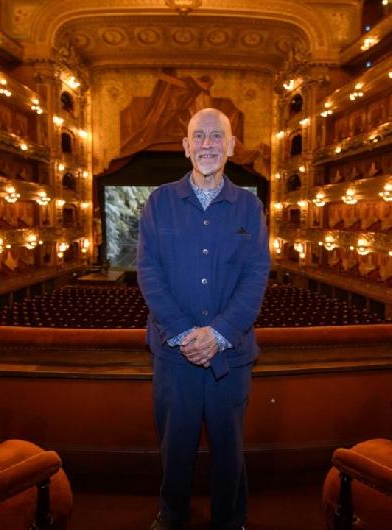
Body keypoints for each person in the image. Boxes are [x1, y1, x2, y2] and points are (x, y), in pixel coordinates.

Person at [137, 108, 270, 530]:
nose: (207, 144)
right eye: (199, 136)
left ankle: (231, 520)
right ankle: (171, 514)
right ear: (186, 146)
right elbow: (149, 273)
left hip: (231, 358)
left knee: (230, 449)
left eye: (217, 136)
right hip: (173, 356)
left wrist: (220, 334)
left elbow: (256, 275)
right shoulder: (158, 202)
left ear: (231, 147)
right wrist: (182, 333)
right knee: (174, 447)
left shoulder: (250, 207)